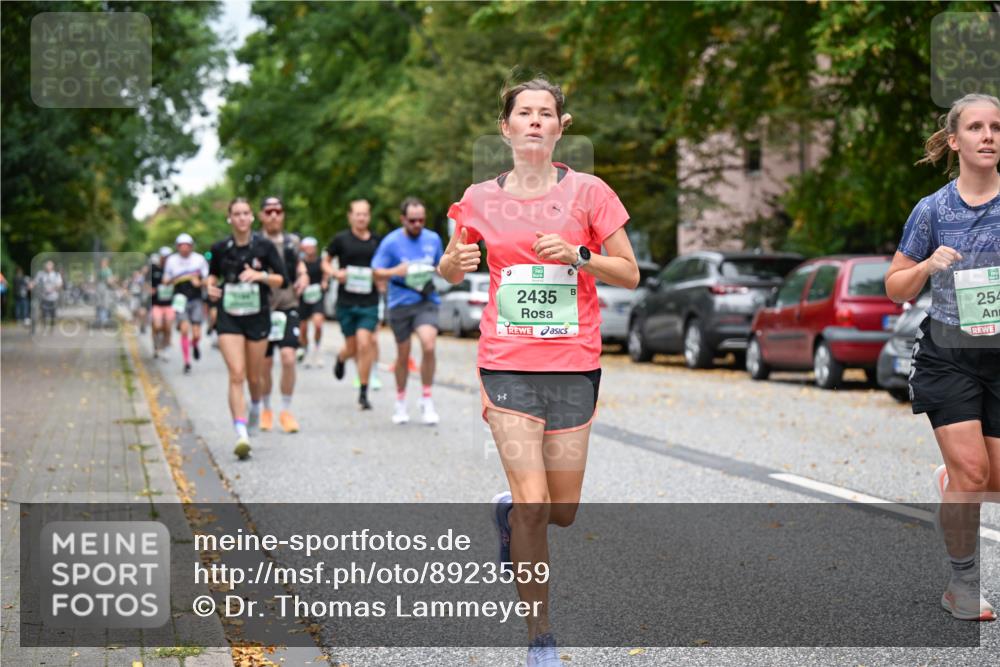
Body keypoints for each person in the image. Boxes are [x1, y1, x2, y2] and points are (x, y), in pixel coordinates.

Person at [439, 78, 639, 665]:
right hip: (506, 363)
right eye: (522, 113)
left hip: (574, 364)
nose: (533, 121)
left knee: (563, 511)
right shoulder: (477, 198)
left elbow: (628, 273)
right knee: (534, 504)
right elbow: (449, 271)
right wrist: (455, 260)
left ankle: (508, 515)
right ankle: (540, 636)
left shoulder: (590, 192)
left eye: (544, 113)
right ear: (505, 128)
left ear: (560, 126)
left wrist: (579, 255)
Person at [886, 93, 1000, 622]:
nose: (988, 136)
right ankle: (962, 584)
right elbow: (893, 286)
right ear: (955, 141)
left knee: (987, 482)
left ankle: (952, 481)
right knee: (973, 474)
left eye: (996, 127)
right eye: (976, 127)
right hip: (949, 354)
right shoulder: (932, 209)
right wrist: (929, 264)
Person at [206, 198, 286, 459]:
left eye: (245, 214)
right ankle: (241, 433)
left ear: (252, 218)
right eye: (236, 214)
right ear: (230, 218)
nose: (241, 218)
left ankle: (255, 406)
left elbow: (281, 278)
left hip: (258, 316)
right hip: (229, 317)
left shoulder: (265, 246)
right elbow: (211, 274)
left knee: (254, 377)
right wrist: (209, 287)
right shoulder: (219, 248)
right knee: (236, 374)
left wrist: (260, 276)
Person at [325, 199, 382, 411]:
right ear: (350, 216)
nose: (361, 218)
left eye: (365, 214)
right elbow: (326, 261)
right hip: (346, 302)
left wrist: (381, 276)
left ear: (369, 216)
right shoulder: (340, 240)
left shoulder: (377, 240)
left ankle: (363, 393)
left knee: (365, 344)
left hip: (369, 300)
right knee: (351, 347)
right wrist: (334, 273)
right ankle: (341, 358)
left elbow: (385, 264)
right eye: (357, 214)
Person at [258, 196, 307, 433]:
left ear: (283, 214)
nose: (274, 215)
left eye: (278, 210)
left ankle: (286, 410)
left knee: (288, 357)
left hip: (288, 306)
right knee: (265, 364)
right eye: (269, 211)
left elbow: (300, 266)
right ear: (261, 215)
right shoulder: (255, 242)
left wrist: (304, 276)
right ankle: (266, 409)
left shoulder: (292, 241)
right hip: (262, 308)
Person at [163, 233, 210, 374]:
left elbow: (208, 279)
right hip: (179, 299)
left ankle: (194, 344)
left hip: (196, 299)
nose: (184, 249)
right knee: (184, 329)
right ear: (177, 247)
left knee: (196, 334)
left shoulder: (199, 259)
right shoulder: (171, 260)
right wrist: (169, 280)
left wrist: (200, 282)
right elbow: (166, 278)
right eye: (181, 246)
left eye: (187, 246)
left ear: (191, 247)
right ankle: (187, 361)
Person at [297, 237, 328, 367]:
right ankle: (304, 348)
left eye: (312, 247)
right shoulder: (300, 263)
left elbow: (326, 273)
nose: (310, 250)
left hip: (317, 296)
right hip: (303, 298)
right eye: (307, 247)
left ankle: (317, 348)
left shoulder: (321, 261)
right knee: (303, 328)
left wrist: (325, 282)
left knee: (318, 323)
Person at [149, 247, 175, 360]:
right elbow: (146, 283)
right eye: (164, 257)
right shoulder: (154, 269)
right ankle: (156, 346)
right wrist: (150, 289)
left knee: (168, 328)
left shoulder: (174, 269)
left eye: (168, 257)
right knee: (157, 326)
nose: (166, 259)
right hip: (157, 304)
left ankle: (165, 348)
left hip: (169, 304)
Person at [32, 260, 63, 334]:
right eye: (46, 266)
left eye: (49, 266)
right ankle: (45, 327)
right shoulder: (41, 274)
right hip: (44, 297)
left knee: (53, 314)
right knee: (44, 313)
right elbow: (35, 281)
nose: (47, 267)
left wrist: (53, 289)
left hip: (53, 297)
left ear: (52, 267)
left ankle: (52, 328)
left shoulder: (56, 274)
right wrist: (31, 285)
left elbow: (60, 284)